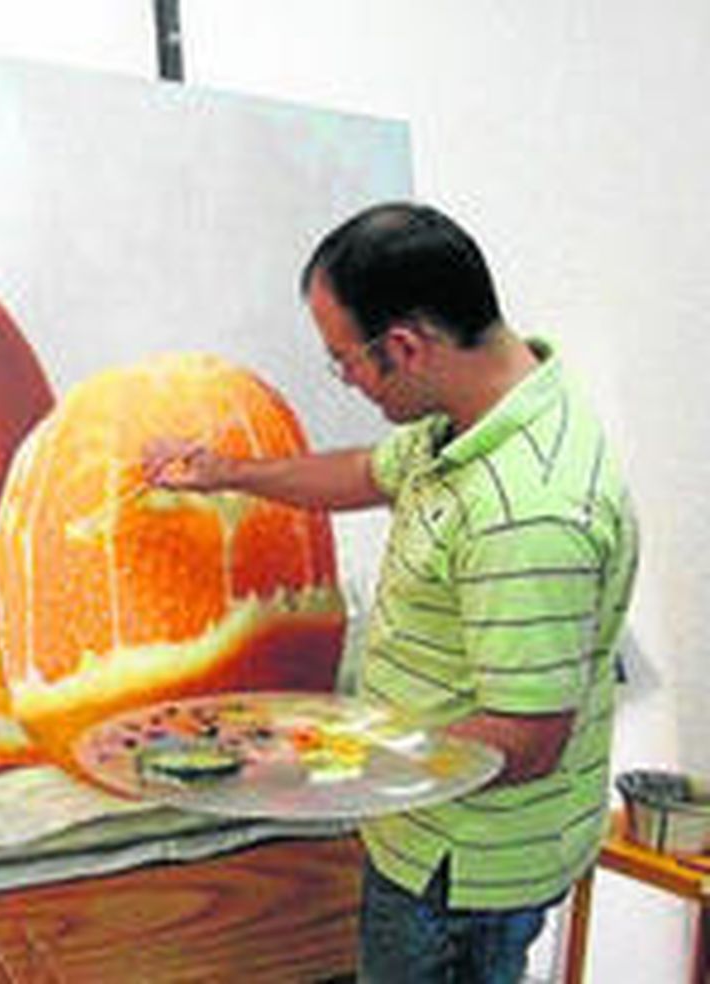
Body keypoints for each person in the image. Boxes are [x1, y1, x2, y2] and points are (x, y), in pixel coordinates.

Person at [144, 202, 638, 983]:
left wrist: (326, 756)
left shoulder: (527, 512)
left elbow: (528, 741)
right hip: (425, 834)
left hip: (461, 874)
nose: (345, 379)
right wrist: (226, 472)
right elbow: (366, 472)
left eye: (343, 360)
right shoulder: (474, 418)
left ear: (404, 347)